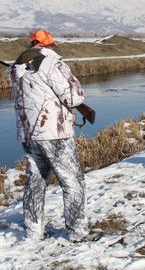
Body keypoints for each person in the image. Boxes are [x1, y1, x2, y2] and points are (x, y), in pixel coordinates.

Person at [8, 29, 89, 241]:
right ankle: (77, 232)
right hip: (55, 133)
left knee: (35, 182)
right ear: (49, 45)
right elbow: (74, 97)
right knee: (73, 182)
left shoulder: (17, 67)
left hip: (28, 134)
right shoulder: (52, 63)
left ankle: (34, 232)